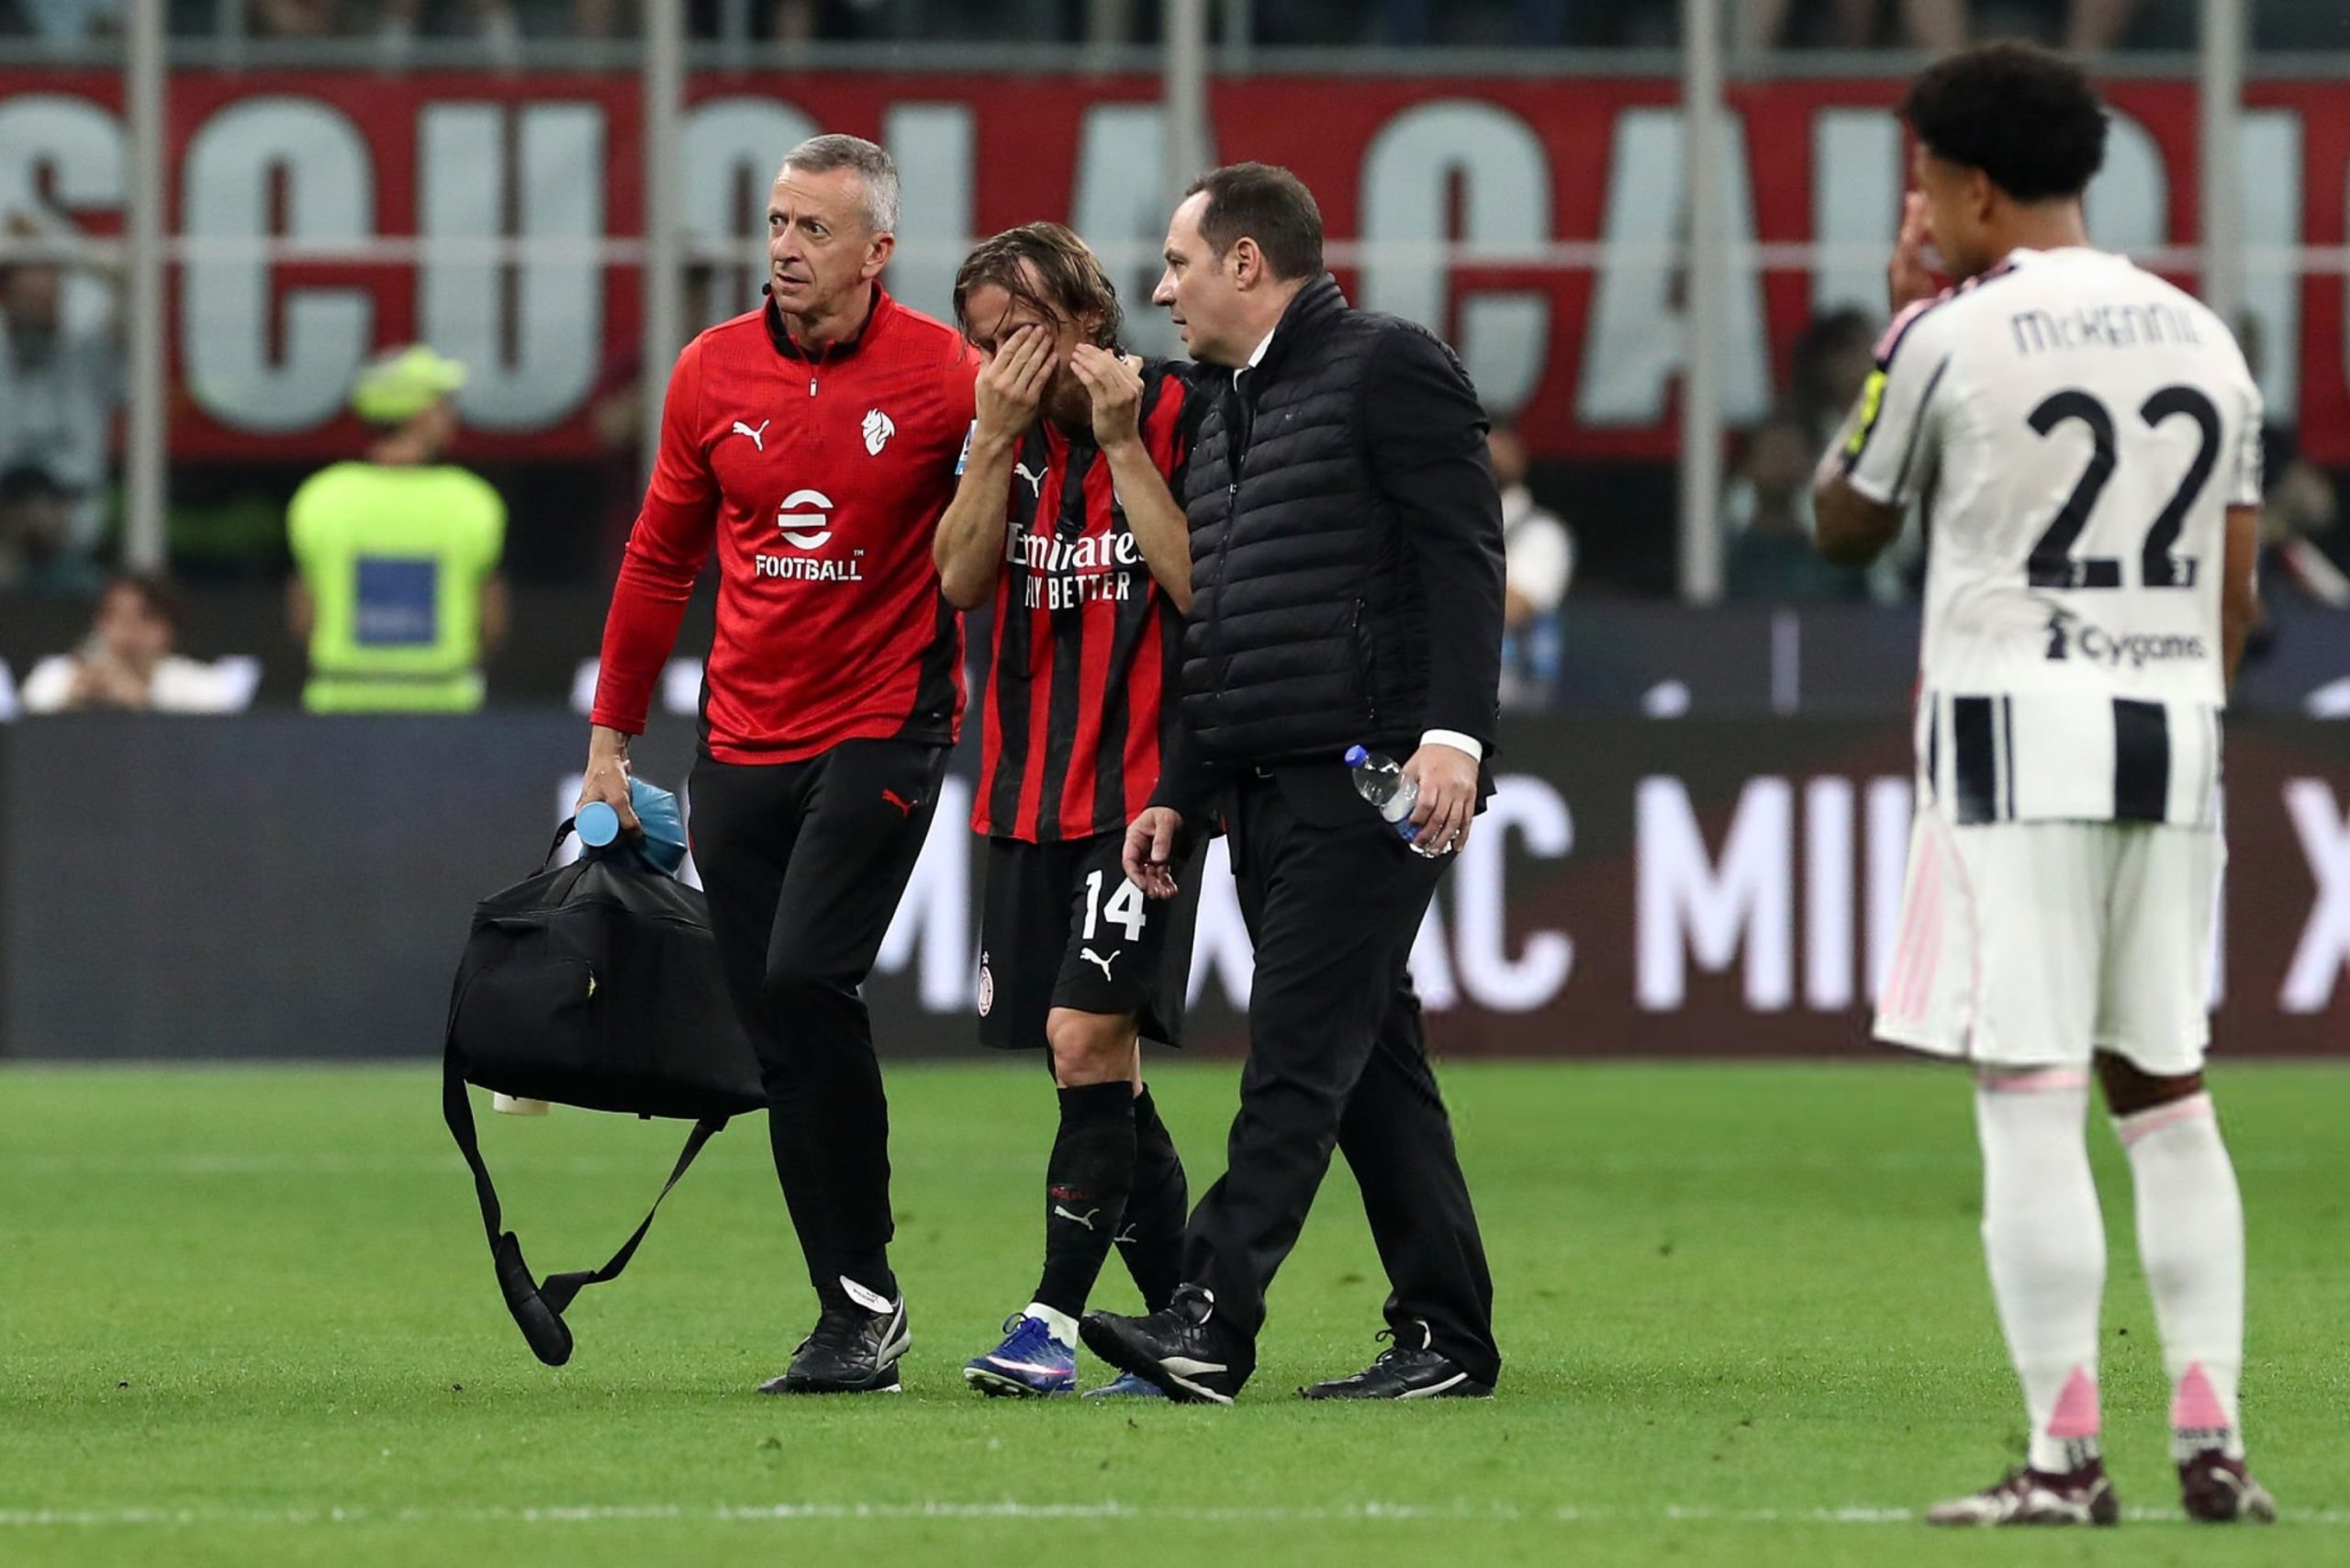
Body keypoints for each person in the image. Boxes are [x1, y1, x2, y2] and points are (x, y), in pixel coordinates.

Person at [1811, 42, 2276, 1527]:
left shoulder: (1950, 333)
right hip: (2175, 735)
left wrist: (1899, 321)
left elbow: (1843, 522)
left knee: (2029, 1094)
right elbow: (2238, 597)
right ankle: (2212, 1437)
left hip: (2017, 736)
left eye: (1924, 182)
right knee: (2167, 1090)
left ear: (1973, 188)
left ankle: (2065, 1458)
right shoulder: (2206, 338)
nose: (1920, 209)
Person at [1080, 163, 1506, 1405]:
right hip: (1267, 780)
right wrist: (1183, 784)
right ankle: (1446, 1333)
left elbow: (1464, 555)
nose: (1163, 290)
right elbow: (1228, 625)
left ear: (1246, 262)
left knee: (1297, 1054)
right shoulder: (1230, 408)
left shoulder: (1388, 366)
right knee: (1368, 1065)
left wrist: (1455, 738)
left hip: (1369, 775)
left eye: (1178, 264)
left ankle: (1210, 1318)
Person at [578, 133, 980, 1396]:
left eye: (815, 229)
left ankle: (867, 1297)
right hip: (742, 740)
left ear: (877, 251)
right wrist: (609, 738)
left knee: (809, 978)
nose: (786, 249)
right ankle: (856, 1305)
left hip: (885, 722)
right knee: (779, 1029)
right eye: (776, 223)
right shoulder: (710, 369)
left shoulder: (945, 373)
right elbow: (659, 559)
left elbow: (1005, 533)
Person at [931, 223, 1201, 1400]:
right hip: (1022, 795)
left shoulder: (1185, 411)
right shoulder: (994, 431)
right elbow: (959, 579)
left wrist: (1122, 443)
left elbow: (1200, 585)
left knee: (1087, 1040)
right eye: (986, 341)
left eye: (1025, 333)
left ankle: (1049, 1323)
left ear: (1089, 318)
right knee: (1099, 1073)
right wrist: (992, 436)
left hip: (1141, 798)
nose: (1007, 361)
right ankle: (1187, 1326)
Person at [285, 346, 509, 713]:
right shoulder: (471, 500)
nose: (451, 414)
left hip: (339, 704)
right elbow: (491, 622)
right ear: (421, 416)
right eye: (443, 403)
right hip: (446, 706)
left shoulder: (322, 497)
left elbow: (303, 617)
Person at [19, 573, 249, 714]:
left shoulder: (198, 684)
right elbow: (23, 728)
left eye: (144, 617)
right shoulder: (56, 675)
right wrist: (70, 703)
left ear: (168, 628)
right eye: (115, 617)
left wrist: (144, 704)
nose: (128, 631)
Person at [1488, 423, 1572, 710]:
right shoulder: (1438, 524)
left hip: (1511, 696)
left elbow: (1512, 609)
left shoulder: (1541, 532)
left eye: (1498, 449)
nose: (1488, 457)